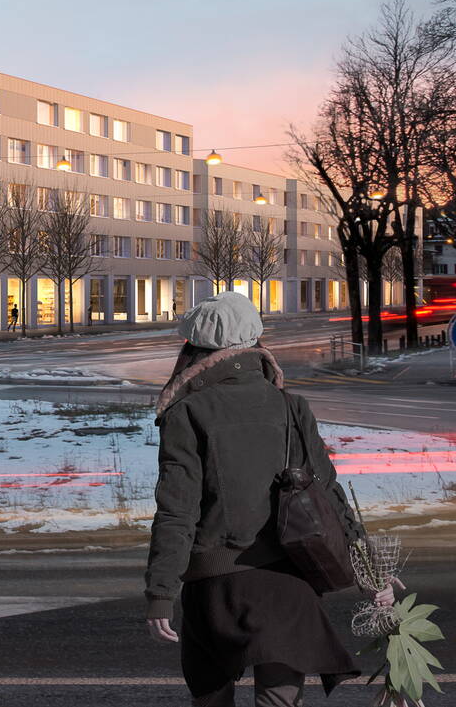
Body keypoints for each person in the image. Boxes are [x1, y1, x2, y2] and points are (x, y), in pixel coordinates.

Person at [146, 291, 361, 707]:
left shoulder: (187, 413)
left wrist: (160, 593)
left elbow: (177, 511)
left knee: (211, 699)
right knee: (279, 702)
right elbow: (329, 493)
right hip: (288, 582)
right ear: (256, 345)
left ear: (194, 349)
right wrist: (370, 569)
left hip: (216, 587)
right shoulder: (291, 407)